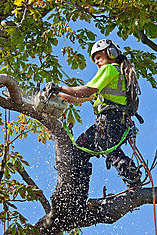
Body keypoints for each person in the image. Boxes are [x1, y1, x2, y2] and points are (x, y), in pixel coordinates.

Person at [53, 39, 142, 188]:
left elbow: (86, 91)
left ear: (111, 53)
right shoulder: (115, 76)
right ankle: (77, 190)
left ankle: (132, 175)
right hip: (116, 121)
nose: (97, 62)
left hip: (110, 120)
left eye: (98, 57)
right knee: (78, 151)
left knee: (106, 148)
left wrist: (60, 88)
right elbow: (81, 98)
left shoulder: (110, 69)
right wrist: (59, 96)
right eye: (94, 59)